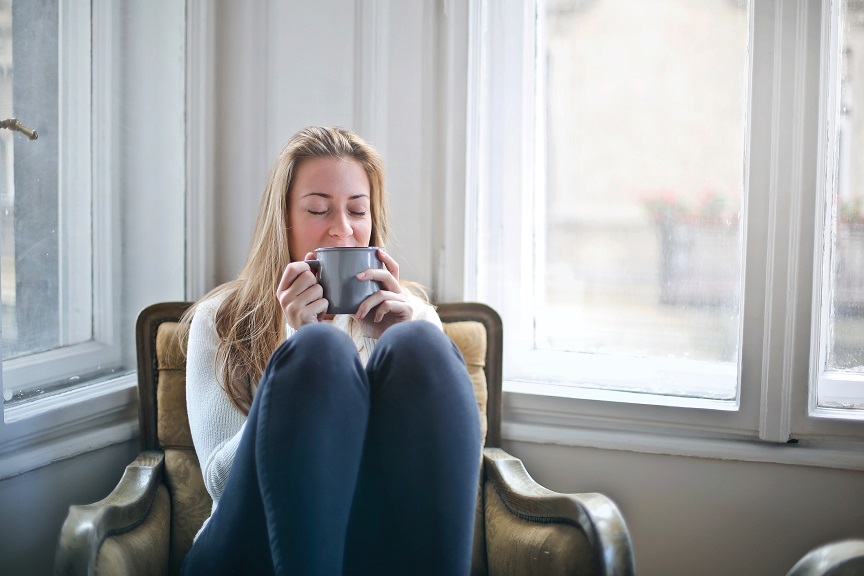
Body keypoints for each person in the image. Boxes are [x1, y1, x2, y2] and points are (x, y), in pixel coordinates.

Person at [179, 126, 481, 575]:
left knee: (419, 343)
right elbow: (221, 483)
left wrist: (388, 345)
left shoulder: (412, 316)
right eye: (318, 210)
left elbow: (449, 479)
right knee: (319, 350)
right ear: (282, 219)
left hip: (371, 545)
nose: (342, 230)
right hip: (248, 545)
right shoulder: (221, 318)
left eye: (357, 211)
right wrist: (294, 344)